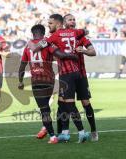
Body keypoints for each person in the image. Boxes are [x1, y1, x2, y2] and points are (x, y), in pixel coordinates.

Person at [28, 14, 89, 143]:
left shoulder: (54, 37)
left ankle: (80, 132)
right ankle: (64, 133)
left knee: (68, 104)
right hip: (75, 72)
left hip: (66, 73)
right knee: (62, 104)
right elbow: (85, 31)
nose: (48, 25)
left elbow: (36, 48)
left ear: (58, 24)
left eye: (50, 23)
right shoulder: (73, 32)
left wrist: (30, 41)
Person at [18, 24, 78, 144]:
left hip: (36, 82)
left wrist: (20, 81)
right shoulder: (47, 44)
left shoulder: (27, 47)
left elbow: (22, 66)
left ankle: (52, 136)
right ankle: (49, 129)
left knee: (44, 110)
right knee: (47, 108)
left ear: (33, 33)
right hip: (49, 81)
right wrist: (72, 55)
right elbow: (60, 55)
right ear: (43, 33)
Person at [61, 13, 98, 141]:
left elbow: (93, 52)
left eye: (74, 19)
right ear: (64, 22)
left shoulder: (80, 36)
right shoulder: (59, 36)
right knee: (65, 104)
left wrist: (84, 51)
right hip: (66, 75)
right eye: (70, 19)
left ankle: (93, 129)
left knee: (85, 102)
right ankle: (65, 132)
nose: (73, 21)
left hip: (81, 75)